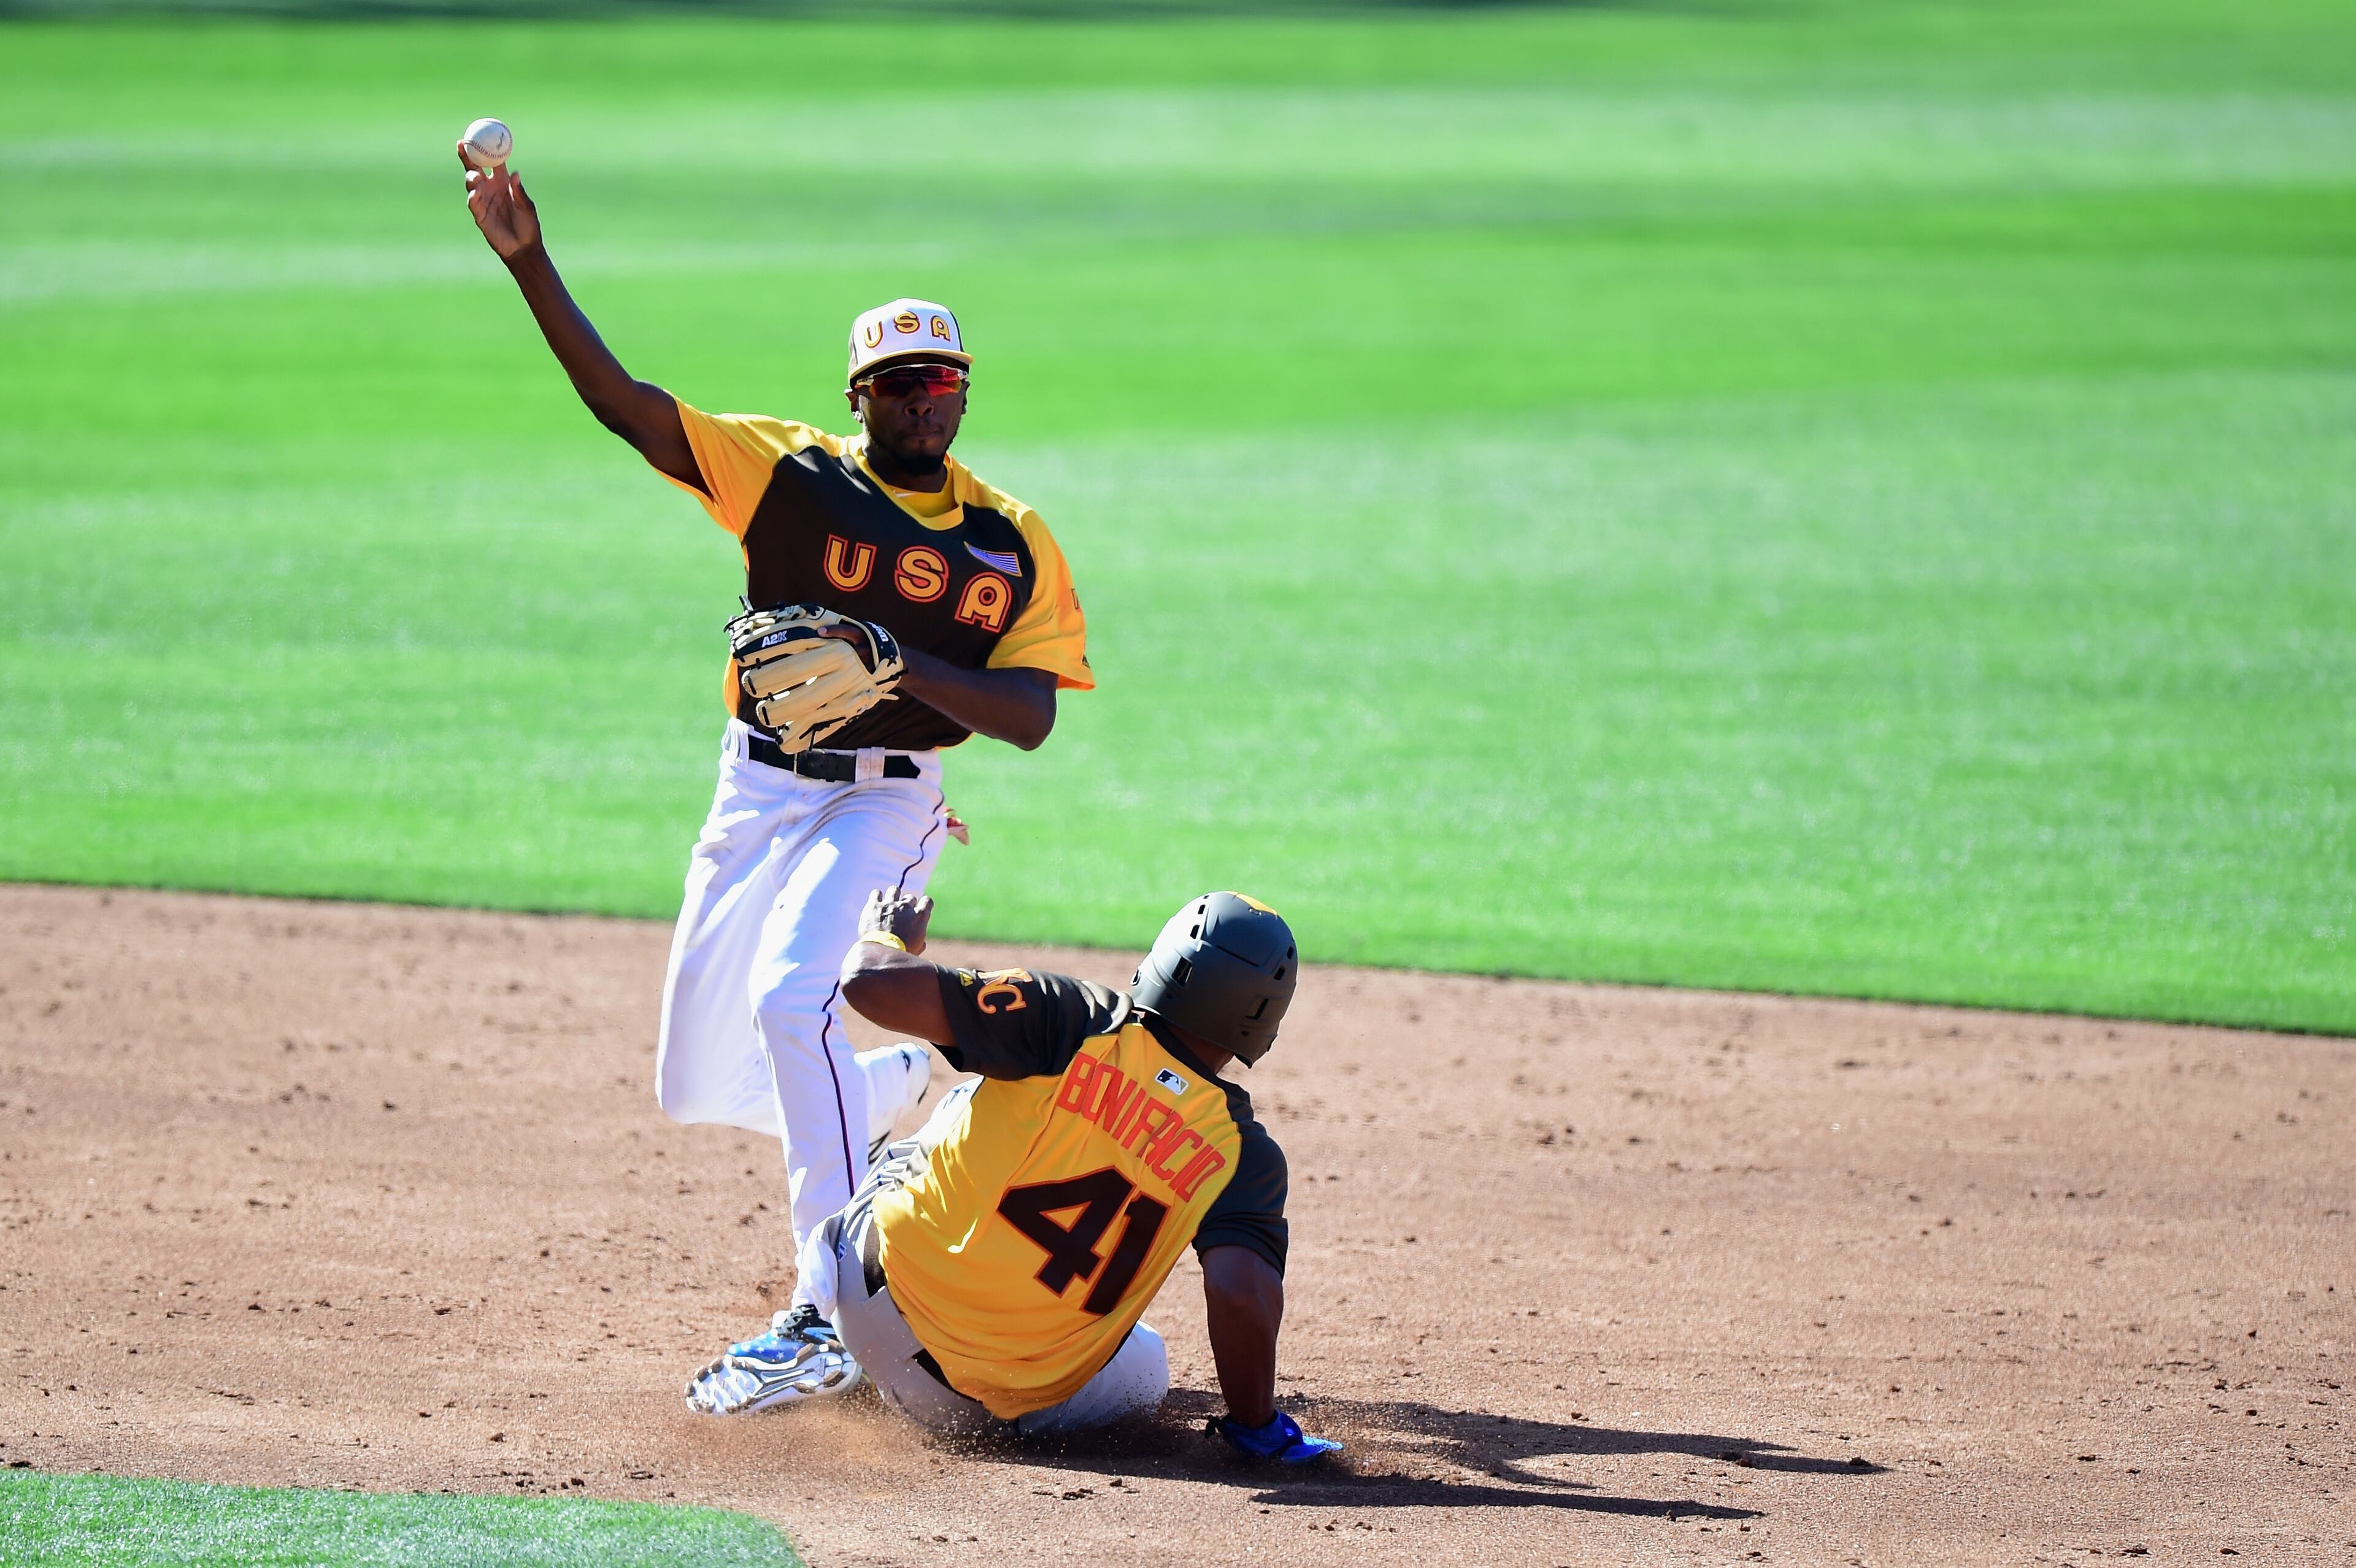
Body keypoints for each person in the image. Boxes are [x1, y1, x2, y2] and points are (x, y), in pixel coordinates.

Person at [458, 148, 1093, 1416]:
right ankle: (908, 1084)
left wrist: (896, 658)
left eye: (946, 381)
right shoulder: (788, 475)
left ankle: (832, 1307)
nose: (928, 400)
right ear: (858, 392)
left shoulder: (1006, 540)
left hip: (888, 795)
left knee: (794, 991)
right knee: (696, 1081)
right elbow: (629, 409)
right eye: (903, 381)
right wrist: (530, 264)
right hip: (754, 792)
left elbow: (1028, 717)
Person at [782, 886, 1341, 1461]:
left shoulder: (1072, 1016)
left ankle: (809, 1323)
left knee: (976, 1093)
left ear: (1164, 960)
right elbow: (1238, 1294)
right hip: (979, 1415)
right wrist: (1258, 1425)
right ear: (1262, 1019)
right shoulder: (1245, 1155)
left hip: (862, 1305)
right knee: (1146, 1364)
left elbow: (870, 983)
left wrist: (886, 935)